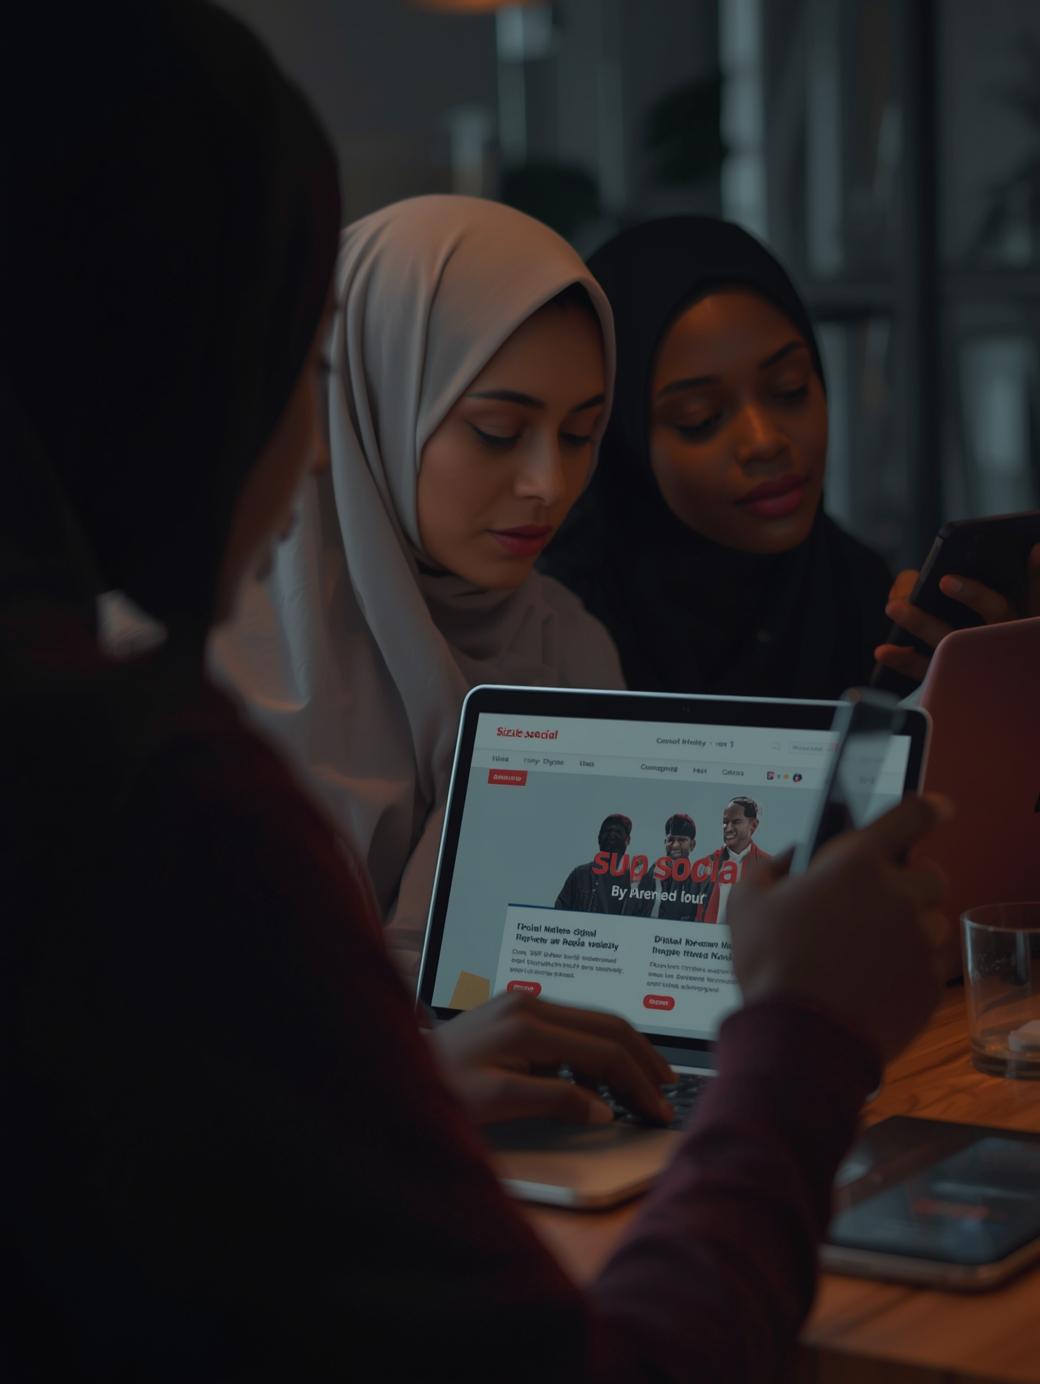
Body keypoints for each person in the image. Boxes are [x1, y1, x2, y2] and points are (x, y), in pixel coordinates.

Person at [4, 5, 953, 1378]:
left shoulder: (550, 639)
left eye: (578, 437)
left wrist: (394, 1098)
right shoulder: (147, 781)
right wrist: (799, 1038)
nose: (546, 487)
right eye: (296, 370)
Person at [214, 194, 624, 981]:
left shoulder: (571, 653)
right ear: (368, 402)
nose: (549, 483)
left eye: (581, 435)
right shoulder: (197, 669)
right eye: (497, 432)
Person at [541, 215, 1040, 699]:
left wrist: (990, 702)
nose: (765, 441)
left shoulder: (868, 605)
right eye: (700, 417)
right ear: (620, 442)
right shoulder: (548, 636)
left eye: (790, 389)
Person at [555, 813, 653, 916]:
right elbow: (560, 909)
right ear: (599, 838)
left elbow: (645, 916)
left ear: (627, 840)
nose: (612, 835)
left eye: (618, 832)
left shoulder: (639, 880)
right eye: (607, 831)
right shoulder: (580, 874)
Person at [698, 798, 771, 925]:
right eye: (725, 822)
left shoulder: (767, 865)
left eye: (736, 822)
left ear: (753, 825)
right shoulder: (705, 864)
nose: (728, 828)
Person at [652, 812, 702, 921]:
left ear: (692, 845)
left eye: (681, 840)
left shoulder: (699, 880)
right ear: (665, 842)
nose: (675, 845)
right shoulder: (651, 875)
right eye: (671, 840)